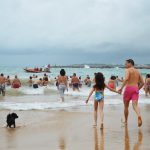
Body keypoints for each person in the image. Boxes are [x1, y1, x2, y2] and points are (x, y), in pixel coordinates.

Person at [118, 59, 144, 127]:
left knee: (126, 106)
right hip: (135, 89)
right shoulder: (138, 71)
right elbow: (142, 82)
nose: (125, 65)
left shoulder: (128, 70)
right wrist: (137, 89)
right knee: (135, 105)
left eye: (126, 63)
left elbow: (126, 79)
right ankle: (139, 116)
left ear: (130, 63)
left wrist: (121, 88)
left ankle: (126, 122)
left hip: (129, 88)